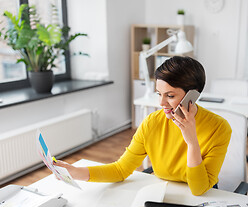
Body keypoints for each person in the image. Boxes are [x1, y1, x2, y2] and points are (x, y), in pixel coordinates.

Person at [55, 56, 232, 196]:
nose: (161, 103)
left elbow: (198, 189)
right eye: (159, 94)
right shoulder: (152, 122)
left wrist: (192, 142)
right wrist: (75, 172)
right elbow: (120, 169)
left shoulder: (219, 127)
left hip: (199, 201)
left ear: (192, 96)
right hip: (163, 195)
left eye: (170, 95)